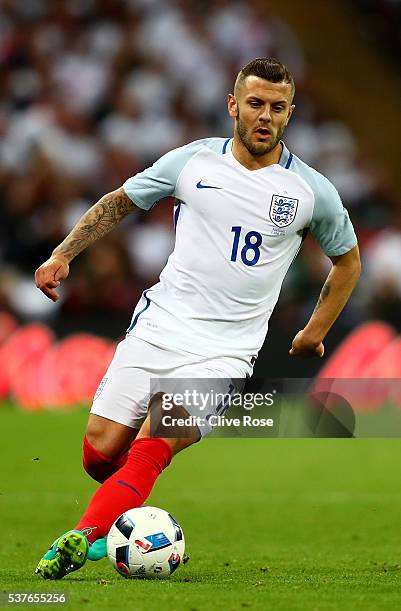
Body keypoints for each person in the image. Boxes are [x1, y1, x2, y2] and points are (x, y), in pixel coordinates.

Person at [34, 57, 361, 579]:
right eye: (255, 104)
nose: (265, 116)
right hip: (161, 324)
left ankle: (85, 535)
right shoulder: (194, 162)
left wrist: (314, 330)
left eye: (278, 108)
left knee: (155, 441)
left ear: (290, 114)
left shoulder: (311, 191)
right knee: (100, 453)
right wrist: (63, 254)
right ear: (234, 105)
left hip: (226, 350)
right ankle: (121, 509)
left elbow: (347, 260)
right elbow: (122, 202)